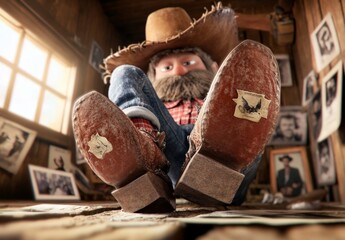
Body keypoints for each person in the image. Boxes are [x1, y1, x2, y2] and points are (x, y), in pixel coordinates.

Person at [72, 3, 280, 212]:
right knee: (123, 73)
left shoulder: (218, 95)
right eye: (167, 67)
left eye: (189, 62)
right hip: (169, 157)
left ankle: (223, 158)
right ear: (151, 81)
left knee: (239, 109)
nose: (179, 70)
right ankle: (140, 155)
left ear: (214, 69)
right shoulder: (152, 107)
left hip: (225, 157)